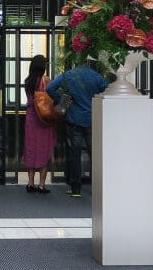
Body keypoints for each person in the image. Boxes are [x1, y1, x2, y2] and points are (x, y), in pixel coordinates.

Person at [46, 60, 109, 198]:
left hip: (73, 119)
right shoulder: (96, 76)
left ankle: (75, 188)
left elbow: (50, 88)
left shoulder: (68, 75)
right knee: (96, 154)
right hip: (92, 119)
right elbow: (107, 89)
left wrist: (62, 99)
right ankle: (98, 187)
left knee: (75, 154)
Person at [21, 54, 57, 194]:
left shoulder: (28, 81)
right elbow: (54, 96)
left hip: (31, 117)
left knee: (31, 148)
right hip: (44, 118)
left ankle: (30, 183)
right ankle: (42, 185)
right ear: (43, 67)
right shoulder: (46, 80)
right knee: (44, 149)